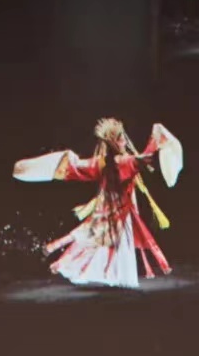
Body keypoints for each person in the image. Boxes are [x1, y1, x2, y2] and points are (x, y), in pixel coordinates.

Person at [12, 117, 184, 289]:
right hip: (118, 211)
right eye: (121, 138)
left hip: (108, 208)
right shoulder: (125, 162)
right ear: (114, 142)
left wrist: (64, 162)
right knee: (98, 237)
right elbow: (147, 159)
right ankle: (62, 258)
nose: (125, 141)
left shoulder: (102, 162)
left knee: (93, 234)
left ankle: (57, 253)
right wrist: (160, 141)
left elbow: (79, 166)